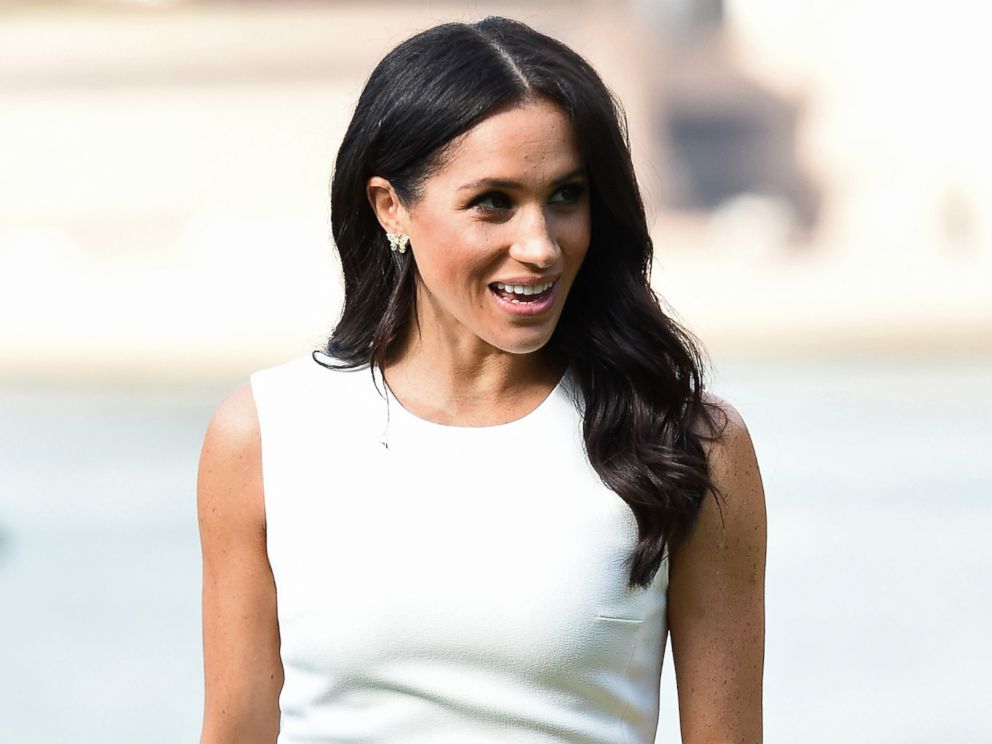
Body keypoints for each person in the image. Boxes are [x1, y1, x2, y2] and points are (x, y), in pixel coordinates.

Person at [197, 16, 766, 744]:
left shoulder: (687, 446)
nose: (539, 245)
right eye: (492, 202)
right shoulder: (263, 436)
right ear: (390, 207)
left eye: (565, 196)